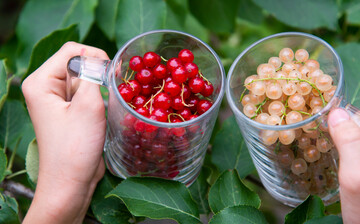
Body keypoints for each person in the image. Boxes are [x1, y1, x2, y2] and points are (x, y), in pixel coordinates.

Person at [21, 42, 360, 224]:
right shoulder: (144, 97)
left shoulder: (191, 95)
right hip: (137, 158)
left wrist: (62, 197)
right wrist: (65, 189)